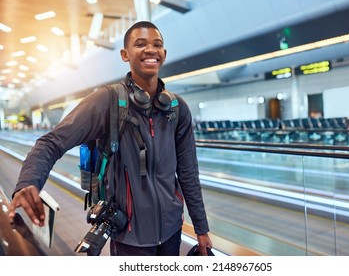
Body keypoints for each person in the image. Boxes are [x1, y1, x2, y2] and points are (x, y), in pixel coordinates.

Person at [8, 21, 213, 256]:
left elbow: (188, 172)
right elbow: (51, 142)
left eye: (157, 45)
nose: (150, 49)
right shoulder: (107, 102)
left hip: (171, 231)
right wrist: (28, 182)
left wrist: (201, 228)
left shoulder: (176, 109)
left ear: (164, 54)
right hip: (128, 235)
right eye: (140, 44)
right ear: (125, 55)